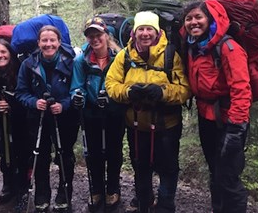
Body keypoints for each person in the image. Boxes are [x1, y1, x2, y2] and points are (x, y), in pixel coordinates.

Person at [106, 11, 190, 213]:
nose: (145, 34)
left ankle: (165, 205)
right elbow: (111, 84)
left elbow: (185, 89)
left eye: (149, 29)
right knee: (140, 167)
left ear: (157, 32)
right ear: (134, 32)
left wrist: (162, 93)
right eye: (141, 29)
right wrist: (127, 92)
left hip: (167, 125)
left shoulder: (170, 55)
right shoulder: (124, 56)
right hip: (136, 125)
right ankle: (145, 203)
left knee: (168, 168)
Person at [182, 0, 251, 213]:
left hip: (229, 121)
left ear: (209, 19)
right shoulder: (194, 46)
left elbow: (242, 88)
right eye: (189, 18)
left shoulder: (228, 47)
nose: (194, 22)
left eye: (198, 17)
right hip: (207, 118)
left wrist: (236, 129)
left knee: (229, 178)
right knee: (215, 173)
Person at [15, 25, 78, 213]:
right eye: (45, 40)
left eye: (52, 40)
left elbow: (77, 89)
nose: (48, 44)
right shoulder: (28, 64)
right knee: (39, 157)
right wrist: (34, 102)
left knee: (65, 156)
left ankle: (64, 195)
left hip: (65, 118)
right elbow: (21, 92)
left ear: (59, 42)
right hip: (38, 117)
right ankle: (42, 196)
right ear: (38, 43)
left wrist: (64, 104)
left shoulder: (70, 62)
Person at [69, 17, 126, 211]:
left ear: (106, 35)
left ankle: (113, 188)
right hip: (91, 113)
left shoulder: (119, 58)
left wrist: (111, 99)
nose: (94, 39)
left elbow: (125, 85)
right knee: (93, 153)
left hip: (114, 112)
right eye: (90, 36)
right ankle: (97, 190)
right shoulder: (81, 60)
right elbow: (76, 86)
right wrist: (78, 97)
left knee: (113, 151)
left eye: (98, 35)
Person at [0, 39, 29, 209]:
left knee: (23, 155)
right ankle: (8, 185)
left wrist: (12, 105)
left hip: (21, 122)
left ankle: (23, 188)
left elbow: (27, 95)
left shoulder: (20, 70)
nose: (0, 56)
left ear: (10, 53)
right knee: (5, 154)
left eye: (3, 52)